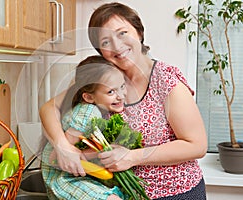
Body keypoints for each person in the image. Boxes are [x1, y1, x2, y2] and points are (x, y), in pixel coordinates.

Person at [40, 2, 208, 200]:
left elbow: (196, 145)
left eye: (122, 33)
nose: (117, 46)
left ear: (138, 32)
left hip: (174, 192)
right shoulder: (102, 77)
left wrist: (132, 156)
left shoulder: (165, 80)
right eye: (105, 42)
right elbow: (49, 108)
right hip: (123, 194)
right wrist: (63, 146)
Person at [41, 55, 127, 199]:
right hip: (64, 178)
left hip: (80, 175)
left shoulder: (101, 110)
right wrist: (104, 152)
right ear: (89, 97)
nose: (121, 96)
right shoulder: (88, 113)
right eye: (111, 92)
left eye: (122, 87)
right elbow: (56, 157)